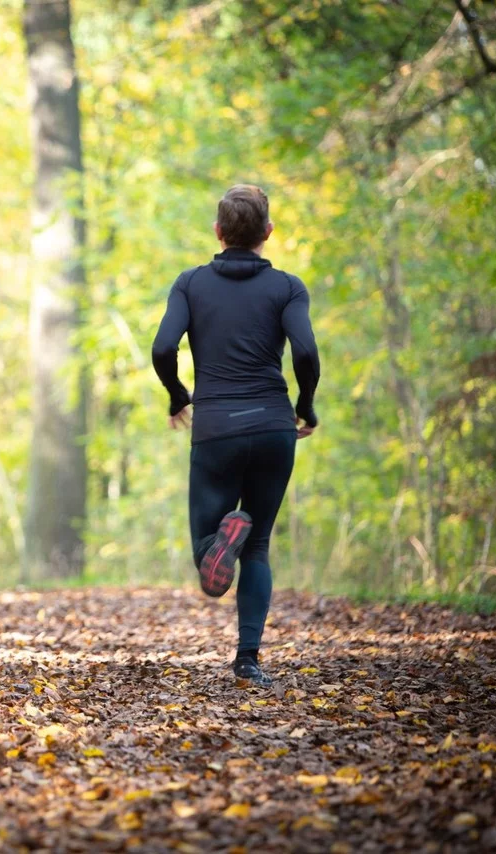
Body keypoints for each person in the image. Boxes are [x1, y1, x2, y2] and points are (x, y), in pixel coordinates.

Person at [150, 184, 320, 687]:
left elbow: (163, 347)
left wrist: (179, 394)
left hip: (217, 427)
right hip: (273, 427)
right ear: (268, 232)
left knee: (207, 547)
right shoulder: (288, 287)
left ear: (218, 232)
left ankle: (217, 543)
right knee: (260, 546)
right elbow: (306, 353)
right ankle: (248, 659)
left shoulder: (190, 284)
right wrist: (304, 406)